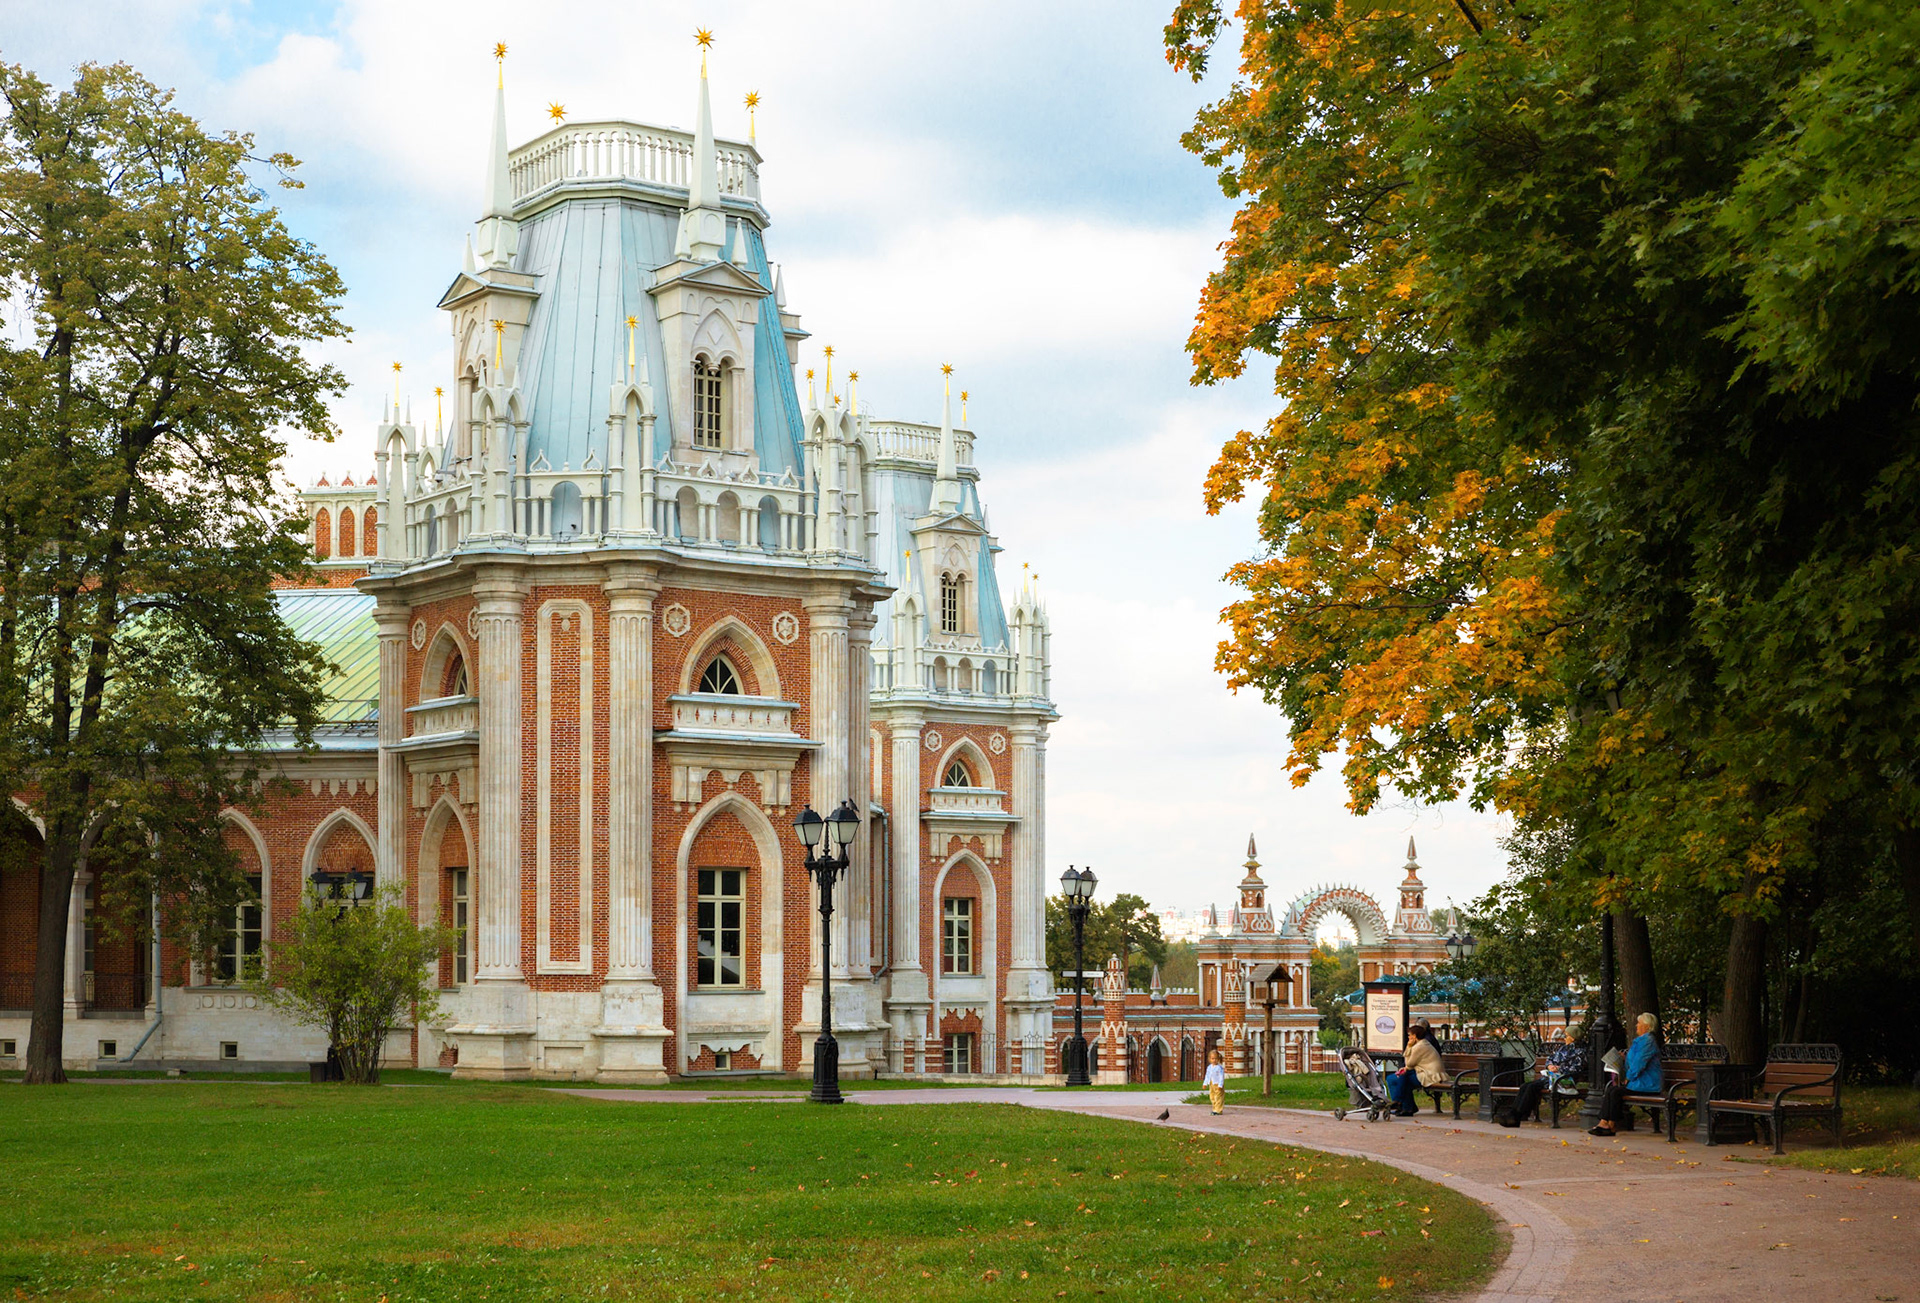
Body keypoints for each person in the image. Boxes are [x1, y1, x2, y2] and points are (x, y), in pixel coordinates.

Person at [1590, 1012, 1661, 1137]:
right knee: (1611, 1090)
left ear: (1647, 1026)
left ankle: (1610, 1125)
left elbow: (1639, 1063)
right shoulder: (1640, 1041)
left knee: (1616, 1092)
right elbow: (1634, 1060)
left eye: (1639, 1023)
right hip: (1638, 1083)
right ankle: (1604, 1122)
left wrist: (1628, 1077)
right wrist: (1624, 1057)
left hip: (1647, 1084)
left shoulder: (1648, 1041)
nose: (1636, 1026)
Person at [1498, 1038, 1587, 1127]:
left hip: (1562, 1080)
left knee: (1532, 1087)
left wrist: (1559, 1068)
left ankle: (1516, 1117)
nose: (1565, 1038)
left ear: (1573, 1037)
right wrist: (1549, 1066)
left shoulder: (1579, 1052)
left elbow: (1576, 1069)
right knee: (1525, 1086)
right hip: (1550, 1077)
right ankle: (1514, 1114)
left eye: (1567, 1035)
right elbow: (1550, 1059)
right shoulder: (1563, 1048)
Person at [1386, 1019, 1444, 1116]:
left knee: (1401, 1078)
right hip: (1422, 1072)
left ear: (1415, 1036)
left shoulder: (1420, 1046)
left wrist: (1408, 1047)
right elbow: (1409, 1064)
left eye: (1410, 1035)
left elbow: (1409, 1063)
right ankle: (1405, 1106)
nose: (1408, 1037)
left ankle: (1400, 1103)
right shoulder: (1421, 1043)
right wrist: (1409, 1048)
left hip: (1431, 1075)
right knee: (1395, 1078)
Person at [1204, 1049, 1227, 1115]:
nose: (1214, 1060)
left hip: (1217, 1084)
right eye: (1212, 1058)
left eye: (1216, 1058)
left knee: (1219, 1097)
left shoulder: (1219, 1068)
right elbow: (1207, 1076)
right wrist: (1205, 1083)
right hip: (1212, 1084)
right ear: (1209, 1059)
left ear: (1218, 1059)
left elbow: (1221, 1077)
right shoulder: (1209, 1067)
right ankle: (1214, 1108)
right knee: (1212, 1096)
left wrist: (1220, 1085)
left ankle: (1218, 1110)